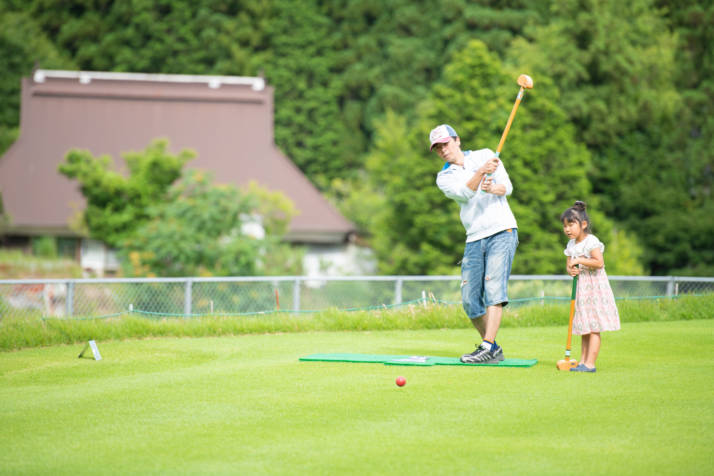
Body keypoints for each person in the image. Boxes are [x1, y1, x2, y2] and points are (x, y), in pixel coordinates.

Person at [430, 124, 519, 363]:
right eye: (438, 148)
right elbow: (465, 193)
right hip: (474, 236)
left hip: (502, 229)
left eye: (445, 144)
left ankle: (487, 346)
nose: (443, 150)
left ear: (457, 140)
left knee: (493, 288)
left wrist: (493, 188)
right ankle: (491, 348)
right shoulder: (444, 177)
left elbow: (507, 188)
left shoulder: (485, 154)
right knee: (470, 300)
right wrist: (481, 174)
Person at [561, 200, 620, 372]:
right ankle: (582, 361)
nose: (567, 229)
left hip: (595, 288)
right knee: (585, 325)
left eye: (571, 225)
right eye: (565, 226)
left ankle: (590, 363)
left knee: (594, 326)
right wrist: (570, 269)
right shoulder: (571, 245)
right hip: (581, 288)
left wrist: (579, 260)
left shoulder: (591, 241)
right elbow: (569, 264)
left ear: (584, 224)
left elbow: (599, 262)